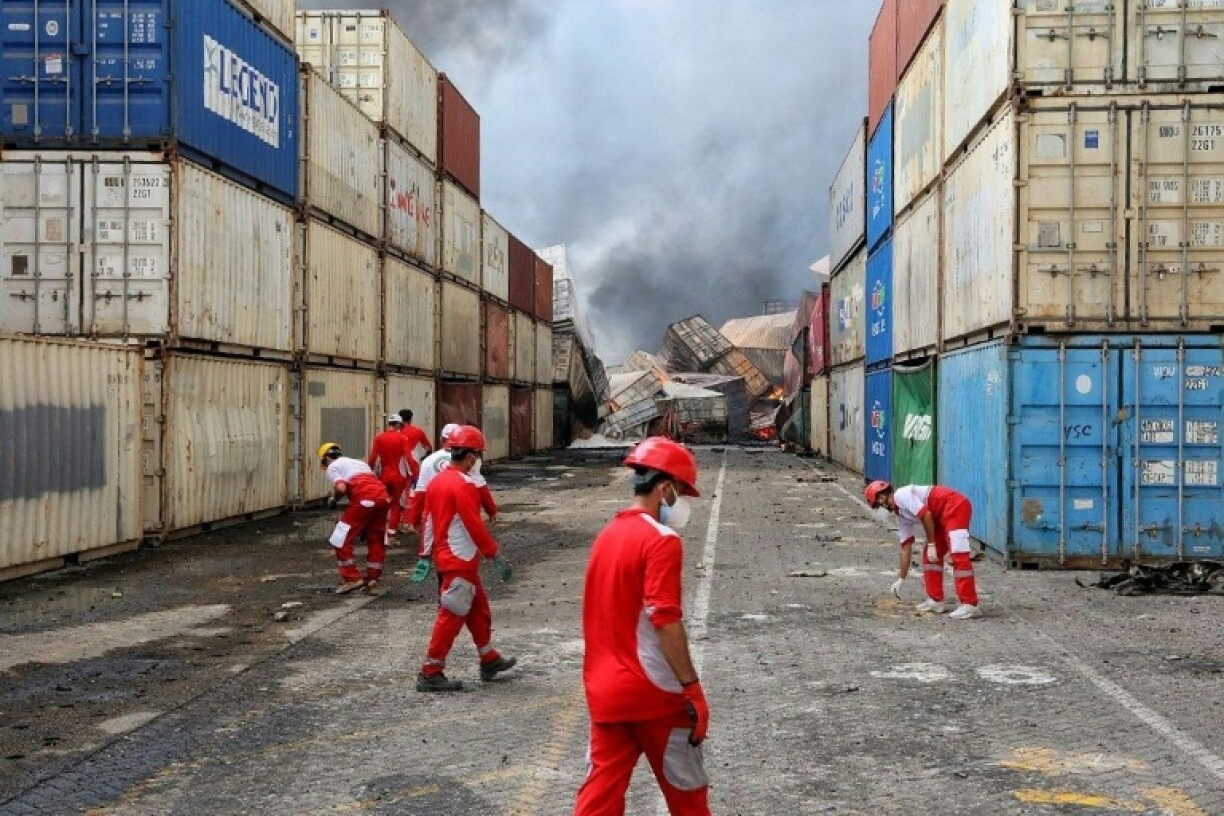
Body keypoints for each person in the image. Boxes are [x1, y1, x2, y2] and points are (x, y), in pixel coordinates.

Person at [574, 437, 711, 816]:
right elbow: (664, 618)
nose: (682, 503)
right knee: (689, 797)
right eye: (681, 491)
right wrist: (691, 688)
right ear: (664, 488)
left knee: (598, 799)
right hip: (655, 695)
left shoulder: (607, 536)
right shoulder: (662, 540)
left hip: (605, 692)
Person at [416, 426, 516, 692]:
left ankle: (489, 659)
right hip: (459, 559)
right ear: (470, 457)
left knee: (478, 609)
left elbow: (427, 520)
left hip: (451, 558)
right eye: (478, 456)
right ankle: (430, 672)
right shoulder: (463, 486)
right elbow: (474, 525)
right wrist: (494, 553)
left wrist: (425, 555)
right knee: (452, 615)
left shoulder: (438, 481)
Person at [865, 481, 980, 620]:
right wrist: (901, 578)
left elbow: (926, 515)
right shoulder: (900, 516)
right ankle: (936, 600)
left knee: (958, 554)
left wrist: (932, 544)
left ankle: (969, 603)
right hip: (940, 517)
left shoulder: (902, 495)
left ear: (882, 499)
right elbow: (905, 548)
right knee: (929, 557)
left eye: (877, 506)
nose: (879, 511)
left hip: (955, 506)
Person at [319, 442, 390, 595]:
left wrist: (334, 500)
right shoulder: (359, 463)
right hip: (383, 498)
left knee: (340, 538)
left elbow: (341, 487)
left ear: (326, 458)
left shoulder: (333, 467)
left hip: (364, 499)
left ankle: (351, 578)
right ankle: (372, 579)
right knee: (376, 539)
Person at [368, 414, 413, 540]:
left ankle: (379, 532)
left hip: (383, 476)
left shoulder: (379, 438)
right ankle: (391, 535)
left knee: (382, 503)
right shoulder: (403, 438)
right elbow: (409, 458)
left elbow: (372, 458)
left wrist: (369, 470)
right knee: (396, 505)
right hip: (399, 476)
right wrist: (414, 473)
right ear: (398, 424)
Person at [397, 408, 434, 483]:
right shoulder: (418, 432)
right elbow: (429, 448)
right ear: (411, 419)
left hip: (398, 466)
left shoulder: (396, 433)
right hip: (414, 464)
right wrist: (423, 458)